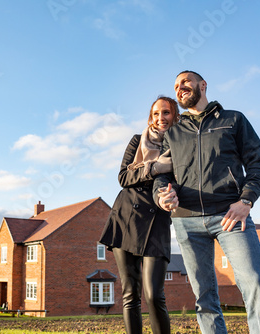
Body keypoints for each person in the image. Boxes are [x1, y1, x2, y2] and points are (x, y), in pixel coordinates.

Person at [153, 70, 260, 334]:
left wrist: (246, 201)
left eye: (185, 82)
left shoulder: (234, 120)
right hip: (187, 221)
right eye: (175, 86)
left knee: (254, 282)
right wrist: (162, 195)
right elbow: (162, 176)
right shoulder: (173, 132)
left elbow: (258, 166)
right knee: (204, 296)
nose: (179, 88)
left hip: (231, 216)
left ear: (203, 85)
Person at [100, 96, 179, 334]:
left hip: (157, 221)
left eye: (165, 112)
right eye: (156, 113)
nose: (160, 118)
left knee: (155, 295)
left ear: (174, 115)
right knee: (130, 294)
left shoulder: (182, 144)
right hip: (126, 218)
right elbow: (124, 177)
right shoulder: (138, 140)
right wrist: (154, 168)